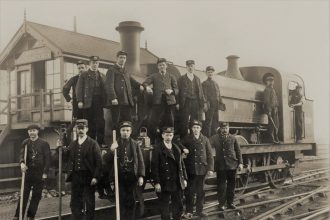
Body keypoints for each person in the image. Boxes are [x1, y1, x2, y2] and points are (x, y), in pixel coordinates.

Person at [63, 119, 102, 220]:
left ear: (87, 129)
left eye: (82, 128)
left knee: (89, 202)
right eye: (78, 128)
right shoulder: (73, 144)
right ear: (76, 129)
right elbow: (65, 158)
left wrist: (96, 177)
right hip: (76, 176)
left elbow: (99, 162)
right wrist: (61, 149)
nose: (80, 130)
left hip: (88, 177)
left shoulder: (93, 144)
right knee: (75, 203)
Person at [108, 121, 145, 220]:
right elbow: (107, 160)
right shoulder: (115, 143)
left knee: (132, 200)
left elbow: (140, 161)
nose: (125, 132)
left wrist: (141, 176)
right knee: (120, 200)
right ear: (120, 131)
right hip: (119, 177)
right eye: (123, 130)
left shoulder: (135, 144)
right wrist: (111, 150)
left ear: (131, 132)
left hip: (132, 177)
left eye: (127, 130)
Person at [13, 124, 51, 220]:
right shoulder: (25, 142)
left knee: (36, 196)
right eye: (30, 131)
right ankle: (18, 215)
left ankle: (31, 216)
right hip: (28, 173)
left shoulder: (44, 143)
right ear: (28, 132)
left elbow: (48, 159)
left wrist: (45, 172)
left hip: (39, 173)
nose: (32, 133)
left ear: (37, 131)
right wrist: (21, 163)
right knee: (24, 194)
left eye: (34, 130)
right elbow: (21, 155)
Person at [151, 127, 188, 220]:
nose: (168, 137)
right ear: (162, 135)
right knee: (164, 206)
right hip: (164, 182)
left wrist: (184, 178)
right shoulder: (158, 148)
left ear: (173, 136)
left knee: (178, 205)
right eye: (166, 135)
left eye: (170, 135)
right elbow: (154, 167)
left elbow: (181, 165)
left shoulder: (176, 147)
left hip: (176, 181)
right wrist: (156, 182)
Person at [181, 120, 214, 219]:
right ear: (191, 129)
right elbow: (178, 143)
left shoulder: (205, 139)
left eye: (197, 128)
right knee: (189, 192)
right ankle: (189, 211)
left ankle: (200, 211)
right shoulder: (187, 139)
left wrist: (210, 168)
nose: (196, 130)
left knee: (200, 192)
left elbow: (209, 155)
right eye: (194, 128)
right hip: (191, 170)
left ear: (200, 129)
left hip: (202, 170)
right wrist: (183, 149)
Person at [141, 58, 179, 141]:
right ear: (158, 67)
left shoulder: (171, 76)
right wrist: (147, 87)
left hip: (170, 102)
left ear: (166, 66)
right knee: (153, 121)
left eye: (163, 65)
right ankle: (153, 140)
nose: (162, 67)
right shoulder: (154, 76)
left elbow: (177, 90)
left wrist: (171, 91)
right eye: (160, 65)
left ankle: (169, 140)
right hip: (158, 102)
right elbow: (144, 83)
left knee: (170, 121)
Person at [209, 122, 243, 211]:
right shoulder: (214, 138)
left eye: (226, 128)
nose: (225, 130)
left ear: (229, 128)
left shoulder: (233, 138)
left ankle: (230, 203)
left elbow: (238, 151)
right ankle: (221, 204)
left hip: (232, 165)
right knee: (221, 186)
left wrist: (240, 163)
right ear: (220, 129)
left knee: (232, 185)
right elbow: (207, 145)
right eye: (223, 128)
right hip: (221, 166)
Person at [105, 51, 142, 130]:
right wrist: (113, 98)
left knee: (128, 122)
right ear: (117, 58)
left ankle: (127, 141)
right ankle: (116, 141)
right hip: (117, 101)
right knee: (117, 122)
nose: (122, 59)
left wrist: (142, 86)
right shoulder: (111, 70)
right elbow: (109, 85)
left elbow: (133, 82)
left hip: (126, 101)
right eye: (121, 57)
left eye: (124, 58)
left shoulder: (126, 71)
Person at [76, 55, 106, 145]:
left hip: (99, 102)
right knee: (89, 123)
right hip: (88, 102)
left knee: (100, 122)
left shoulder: (102, 75)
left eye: (97, 63)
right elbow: (79, 88)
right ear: (90, 64)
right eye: (93, 63)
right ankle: (89, 143)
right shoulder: (84, 75)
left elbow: (106, 89)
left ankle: (101, 143)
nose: (95, 65)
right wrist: (80, 100)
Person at [178, 60, 206, 138]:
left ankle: (193, 138)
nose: (190, 68)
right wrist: (177, 103)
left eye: (192, 66)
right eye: (189, 66)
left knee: (194, 121)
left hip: (195, 102)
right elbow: (178, 91)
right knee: (184, 121)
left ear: (194, 67)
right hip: (185, 101)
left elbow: (201, 92)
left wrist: (202, 103)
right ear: (186, 67)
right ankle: (183, 139)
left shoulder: (197, 79)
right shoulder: (181, 78)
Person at [202, 66, 226, 137]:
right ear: (206, 73)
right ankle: (208, 138)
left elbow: (219, 94)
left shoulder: (216, 83)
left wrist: (221, 103)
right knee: (208, 122)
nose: (210, 74)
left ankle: (214, 137)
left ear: (213, 73)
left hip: (216, 105)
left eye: (211, 72)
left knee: (215, 122)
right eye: (209, 72)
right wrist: (206, 103)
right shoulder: (204, 83)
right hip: (210, 105)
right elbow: (204, 95)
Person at [263, 72, 280, 144]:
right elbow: (267, 101)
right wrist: (269, 111)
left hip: (275, 109)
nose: (271, 82)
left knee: (276, 124)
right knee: (272, 125)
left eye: (272, 81)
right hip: (271, 109)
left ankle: (276, 138)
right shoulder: (267, 90)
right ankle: (272, 139)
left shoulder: (272, 89)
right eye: (269, 81)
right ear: (266, 82)